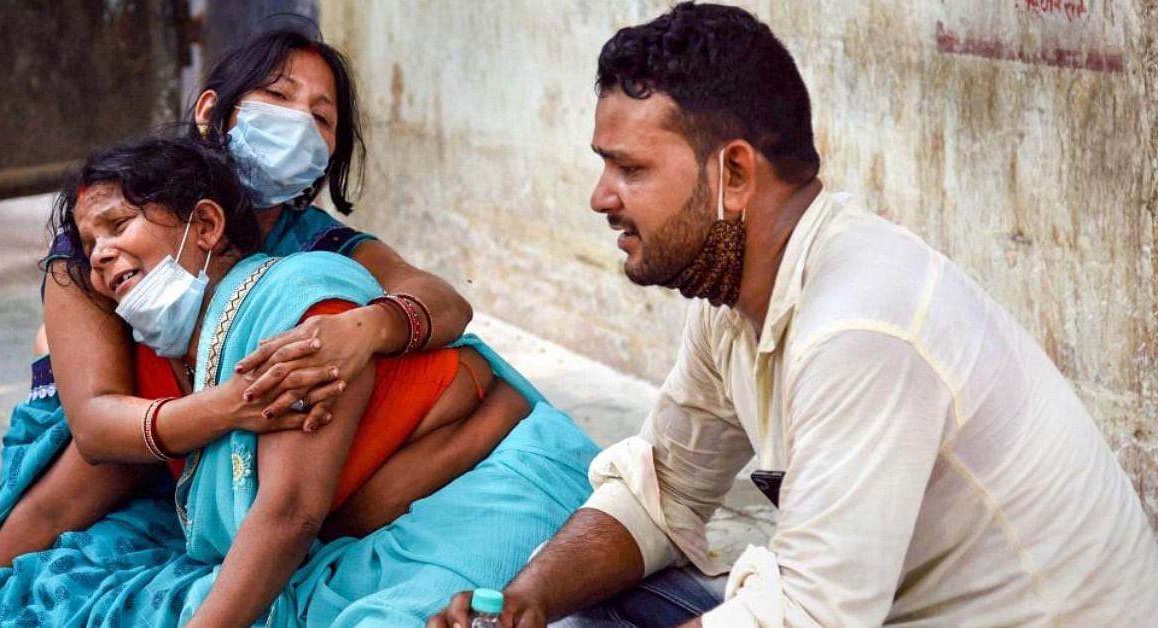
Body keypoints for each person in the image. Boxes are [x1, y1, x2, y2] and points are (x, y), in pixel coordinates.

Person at [430, 3, 1158, 626]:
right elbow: (665, 491)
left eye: (632, 168)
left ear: (735, 175)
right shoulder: (732, 288)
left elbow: (808, 619)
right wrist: (519, 605)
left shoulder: (861, 328)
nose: (601, 196)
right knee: (591, 595)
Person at [0, 26, 539, 626]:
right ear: (214, 109)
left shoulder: (314, 253)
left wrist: (366, 330)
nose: (297, 122)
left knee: (315, 488)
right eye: (276, 96)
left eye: (321, 118)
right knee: (47, 552)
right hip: (121, 441)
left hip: (237, 448)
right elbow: (97, 429)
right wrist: (236, 404)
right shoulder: (112, 222)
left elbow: (442, 303)